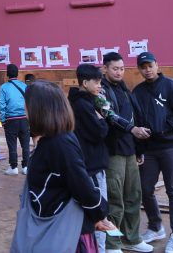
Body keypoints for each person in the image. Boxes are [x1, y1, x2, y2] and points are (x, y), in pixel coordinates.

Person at [11, 81, 113, 252]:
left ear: (39, 110)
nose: (24, 110)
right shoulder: (52, 141)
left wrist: (99, 213)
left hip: (65, 234)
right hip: (56, 228)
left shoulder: (60, 143)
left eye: (27, 105)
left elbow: (82, 186)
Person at [131, 52, 173, 253]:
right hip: (149, 149)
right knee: (145, 189)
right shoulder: (137, 92)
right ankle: (155, 227)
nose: (147, 70)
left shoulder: (171, 86)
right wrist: (139, 148)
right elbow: (136, 121)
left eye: (150, 66)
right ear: (139, 69)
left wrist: (164, 126)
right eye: (143, 67)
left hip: (171, 147)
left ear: (157, 65)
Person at [101, 52, 152, 252]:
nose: (119, 72)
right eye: (115, 69)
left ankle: (132, 238)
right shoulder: (101, 91)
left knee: (133, 196)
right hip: (112, 152)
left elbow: (135, 118)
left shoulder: (124, 89)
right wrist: (132, 129)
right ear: (105, 69)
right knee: (115, 198)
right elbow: (110, 116)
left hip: (130, 150)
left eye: (122, 69)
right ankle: (112, 244)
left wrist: (139, 150)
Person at [69, 64, 112, 253]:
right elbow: (100, 131)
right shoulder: (84, 105)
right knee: (99, 212)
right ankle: (99, 249)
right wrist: (102, 117)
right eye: (97, 82)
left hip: (88, 164)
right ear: (85, 83)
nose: (100, 86)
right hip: (92, 166)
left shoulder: (79, 101)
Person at [0, 64, 30, 176]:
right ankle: (26, 167)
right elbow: (29, 102)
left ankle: (13, 167)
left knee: (12, 144)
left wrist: (3, 120)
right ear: (17, 74)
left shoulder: (3, 87)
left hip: (11, 119)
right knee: (25, 144)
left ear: (7, 74)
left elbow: (1, 105)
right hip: (24, 119)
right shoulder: (24, 86)